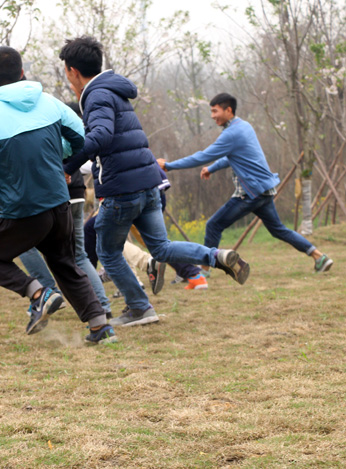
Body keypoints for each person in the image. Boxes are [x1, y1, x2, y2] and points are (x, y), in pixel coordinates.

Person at [59, 36, 249, 329]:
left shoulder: (96, 95)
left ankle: (139, 307)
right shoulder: (114, 91)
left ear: (73, 71)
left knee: (108, 251)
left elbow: (101, 136)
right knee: (161, 248)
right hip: (148, 183)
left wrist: (68, 166)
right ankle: (216, 256)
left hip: (121, 189)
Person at [0, 46, 116, 345]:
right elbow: (81, 139)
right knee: (65, 263)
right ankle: (100, 326)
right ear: (22, 73)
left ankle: (39, 293)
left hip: (23, 211)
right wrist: (57, 154)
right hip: (60, 204)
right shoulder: (50, 103)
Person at [158, 93, 333, 273]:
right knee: (278, 230)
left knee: (213, 225)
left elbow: (203, 156)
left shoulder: (231, 133)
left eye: (215, 111)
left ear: (228, 110)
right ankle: (319, 256)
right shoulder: (244, 126)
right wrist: (212, 168)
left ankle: (203, 270)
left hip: (251, 193)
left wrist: (169, 166)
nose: (212, 116)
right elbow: (231, 157)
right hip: (264, 190)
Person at [18, 103, 113, 319]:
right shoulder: (72, 130)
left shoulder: (43, 127)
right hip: (77, 192)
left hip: (56, 195)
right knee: (79, 255)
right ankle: (102, 305)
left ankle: (48, 292)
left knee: (24, 244)